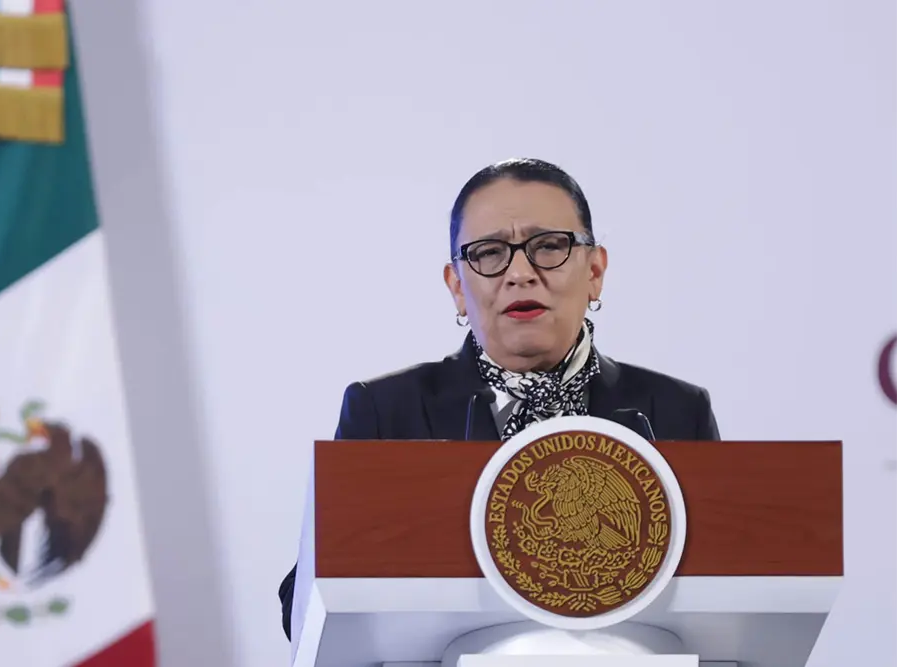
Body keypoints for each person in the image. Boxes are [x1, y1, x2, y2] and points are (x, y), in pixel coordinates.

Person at [277, 157, 720, 640]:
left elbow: (728, 589)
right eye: (489, 253)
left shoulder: (674, 410)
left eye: (548, 246)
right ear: (457, 287)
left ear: (594, 271)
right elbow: (304, 605)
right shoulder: (385, 411)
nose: (520, 273)